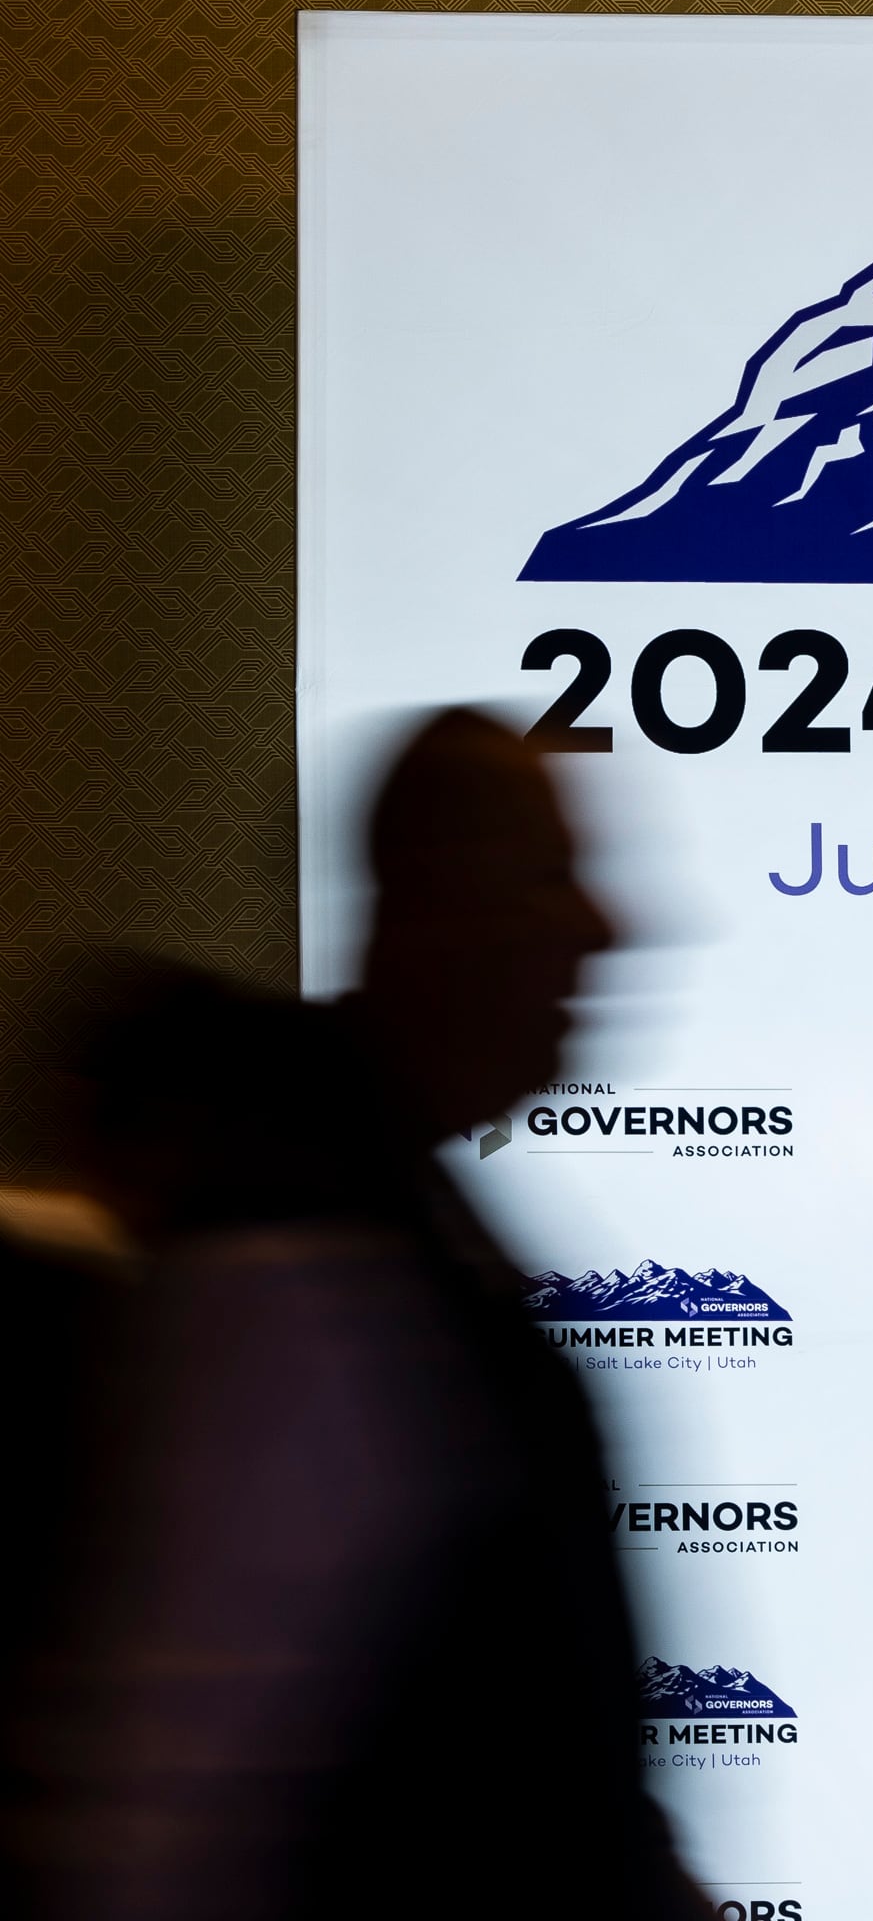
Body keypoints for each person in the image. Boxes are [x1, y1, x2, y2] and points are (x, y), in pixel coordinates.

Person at [18, 709, 707, 1921]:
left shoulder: (413, 1228)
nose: (604, 926)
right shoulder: (297, 1271)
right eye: (548, 876)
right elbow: (160, 1826)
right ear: (432, 906)